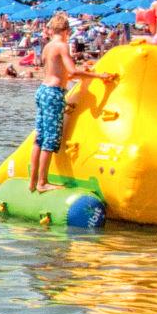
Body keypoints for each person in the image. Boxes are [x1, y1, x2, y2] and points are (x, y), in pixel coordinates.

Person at [32, 12, 113, 192]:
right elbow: (72, 72)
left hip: (42, 90)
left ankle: (32, 181)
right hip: (54, 93)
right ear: (67, 30)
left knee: (40, 137)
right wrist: (98, 75)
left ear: (51, 29)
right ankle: (42, 183)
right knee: (50, 139)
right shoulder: (62, 45)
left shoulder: (48, 46)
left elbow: (57, 69)